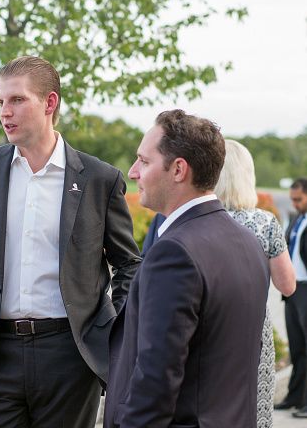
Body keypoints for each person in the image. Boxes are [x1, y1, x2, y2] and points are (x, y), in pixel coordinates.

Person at [0, 55, 141, 427]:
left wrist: (115, 330)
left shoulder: (100, 179)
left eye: (17, 100)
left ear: (50, 103)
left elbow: (129, 262)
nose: (5, 112)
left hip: (70, 356)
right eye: (0, 102)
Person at [105, 110, 270, 428]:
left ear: (178, 169)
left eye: (144, 160)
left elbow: (156, 379)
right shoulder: (248, 243)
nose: (133, 171)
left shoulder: (174, 252)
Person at [215, 139, 295, 426]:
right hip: (252, 333)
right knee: (253, 412)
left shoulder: (198, 219)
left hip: (206, 329)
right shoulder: (265, 222)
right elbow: (287, 285)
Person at [276, 178, 307, 418]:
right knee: (297, 348)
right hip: (294, 291)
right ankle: (294, 397)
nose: (295, 203)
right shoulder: (297, 219)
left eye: (299, 199)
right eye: (293, 199)